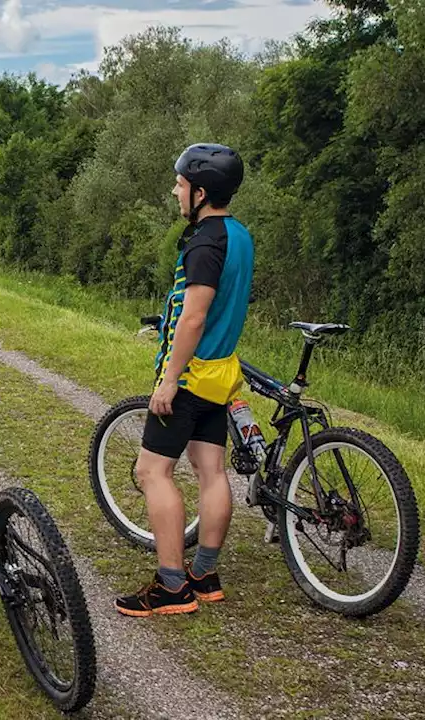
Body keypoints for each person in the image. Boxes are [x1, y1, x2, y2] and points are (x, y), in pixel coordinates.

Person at [115, 144, 253, 618]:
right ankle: (205, 572)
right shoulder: (239, 235)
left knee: (151, 472)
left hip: (191, 377)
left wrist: (169, 381)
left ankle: (172, 585)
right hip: (221, 375)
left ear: (200, 192)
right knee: (211, 470)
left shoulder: (204, 242)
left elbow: (193, 317)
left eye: (179, 183)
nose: (174, 190)